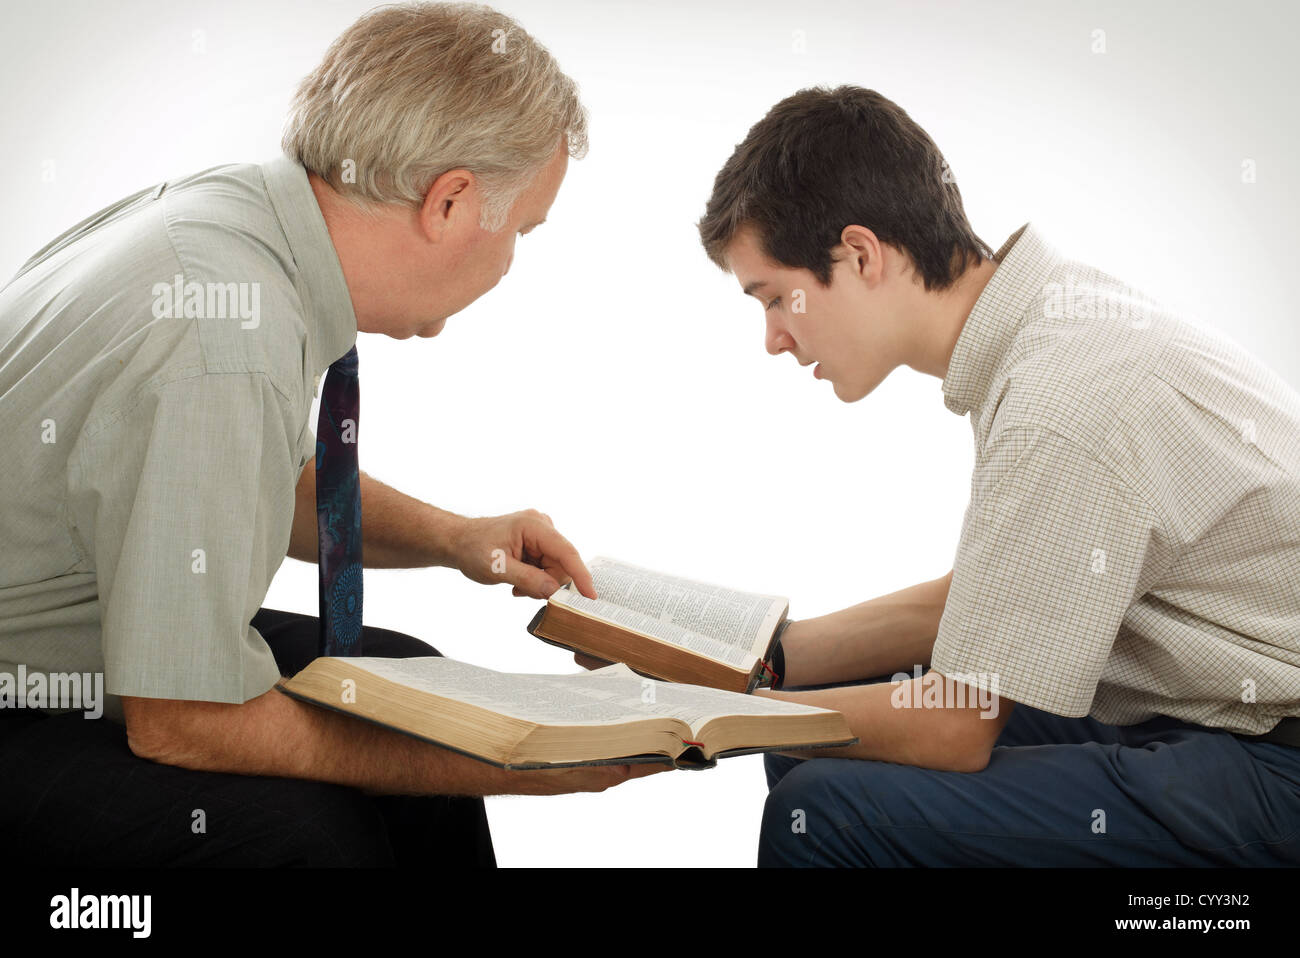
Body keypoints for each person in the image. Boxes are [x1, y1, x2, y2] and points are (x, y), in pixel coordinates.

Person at [0, 1, 667, 868]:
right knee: (319, 838)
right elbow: (184, 722)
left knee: (409, 681)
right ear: (453, 202)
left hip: (73, 628)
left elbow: (243, 481)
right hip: (30, 689)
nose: (511, 265)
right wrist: (516, 758)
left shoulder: (238, 227)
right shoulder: (222, 344)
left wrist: (457, 540)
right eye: (523, 234)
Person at [693, 84, 1300, 866]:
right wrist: (761, 661)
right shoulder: (1048, 321)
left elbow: (956, 724)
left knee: (830, 810)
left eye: (776, 298)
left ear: (861, 254)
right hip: (1226, 712)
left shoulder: (1060, 399)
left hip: (1273, 761)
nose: (773, 338)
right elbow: (1003, 595)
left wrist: (699, 713)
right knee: (816, 741)